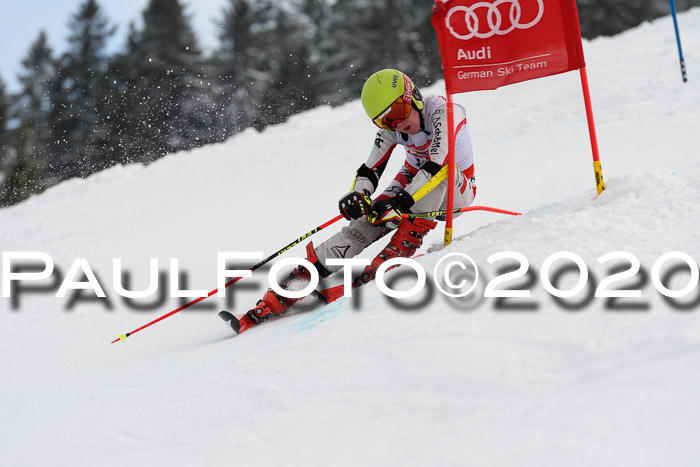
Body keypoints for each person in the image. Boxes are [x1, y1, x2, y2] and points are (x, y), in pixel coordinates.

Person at [237, 68, 476, 332]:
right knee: (372, 214)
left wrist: (401, 200)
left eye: (397, 113)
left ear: (413, 97)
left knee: (440, 172)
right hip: (415, 183)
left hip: (456, 191)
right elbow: (370, 169)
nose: (395, 124)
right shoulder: (393, 127)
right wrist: (358, 195)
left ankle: (399, 250)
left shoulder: (444, 111)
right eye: (385, 122)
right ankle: (293, 284)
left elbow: (436, 162)